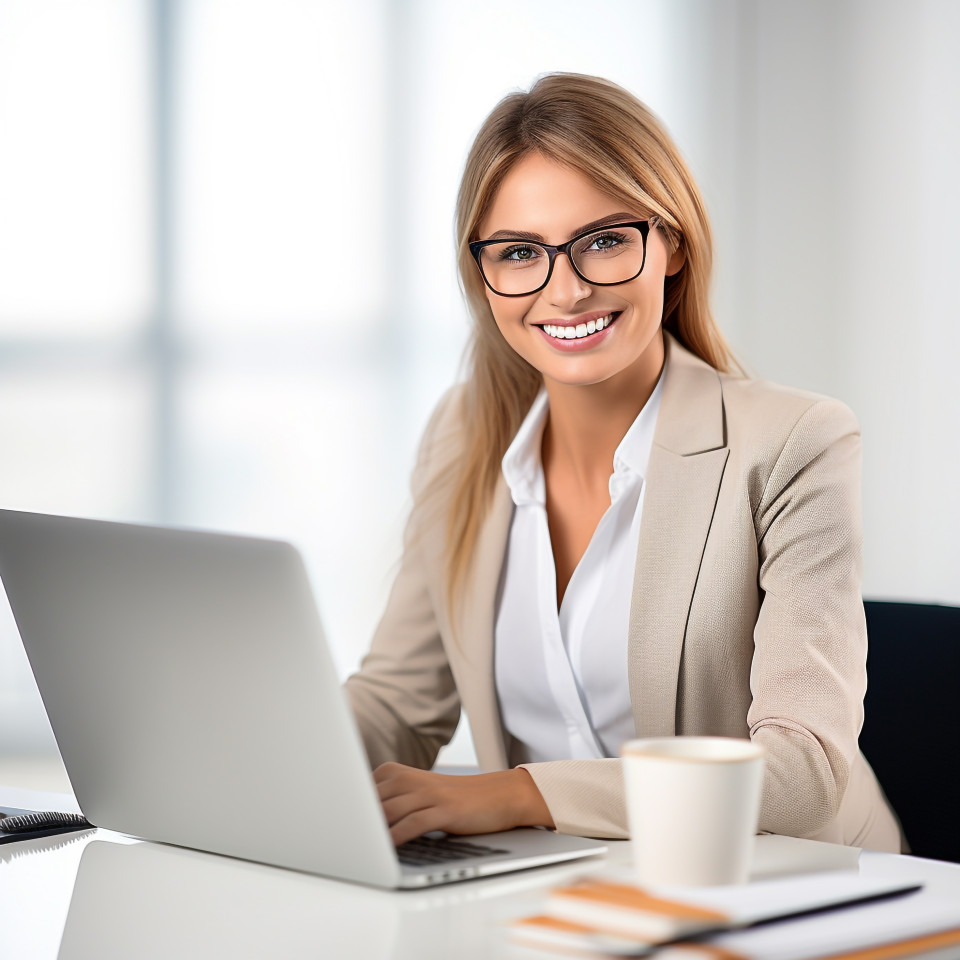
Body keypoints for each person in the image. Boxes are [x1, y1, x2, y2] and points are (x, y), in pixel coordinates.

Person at [344, 72, 902, 853]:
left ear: (671, 243)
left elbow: (801, 771)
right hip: (558, 884)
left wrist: (520, 794)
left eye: (604, 240)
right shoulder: (461, 435)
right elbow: (398, 703)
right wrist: (244, 760)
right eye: (519, 252)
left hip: (784, 880)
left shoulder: (795, 442)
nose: (566, 291)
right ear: (483, 275)